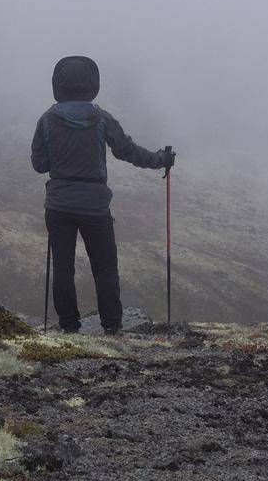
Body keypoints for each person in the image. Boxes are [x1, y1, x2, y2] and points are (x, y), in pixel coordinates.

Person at [30, 54, 174, 334]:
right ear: (92, 83)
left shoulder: (47, 120)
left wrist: (60, 161)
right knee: (105, 268)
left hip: (58, 206)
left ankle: (69, 328)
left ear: (58, 84)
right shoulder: (101, 118)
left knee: (63, 268)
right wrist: (161, 160)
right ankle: (112, 328)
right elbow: (127, 151)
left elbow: (39, 165)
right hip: (95, 206)